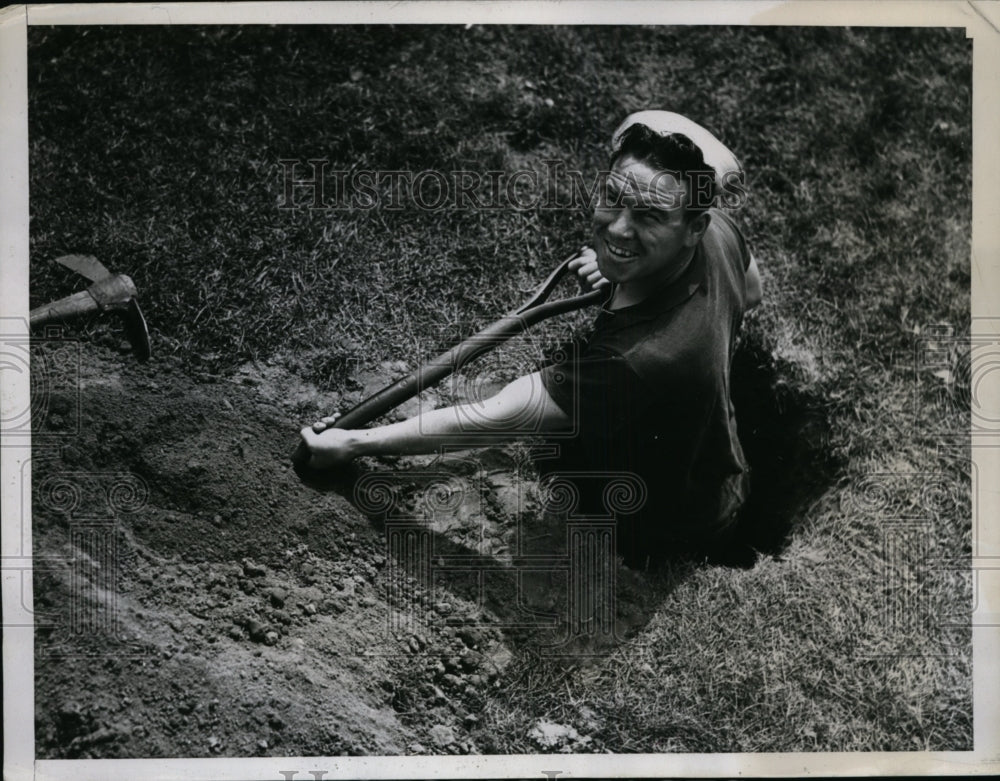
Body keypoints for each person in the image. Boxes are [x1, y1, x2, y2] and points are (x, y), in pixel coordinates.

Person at [298, 111, 762, 569]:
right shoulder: (719, 233)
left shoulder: (643, 359)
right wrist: (630, 275)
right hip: (717, 472)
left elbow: (495, 417)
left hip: (663, 522)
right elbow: (753, 289)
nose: (619, 228)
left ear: (692, 228)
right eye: (613, 198)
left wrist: (354, 443)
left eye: (648, 217)